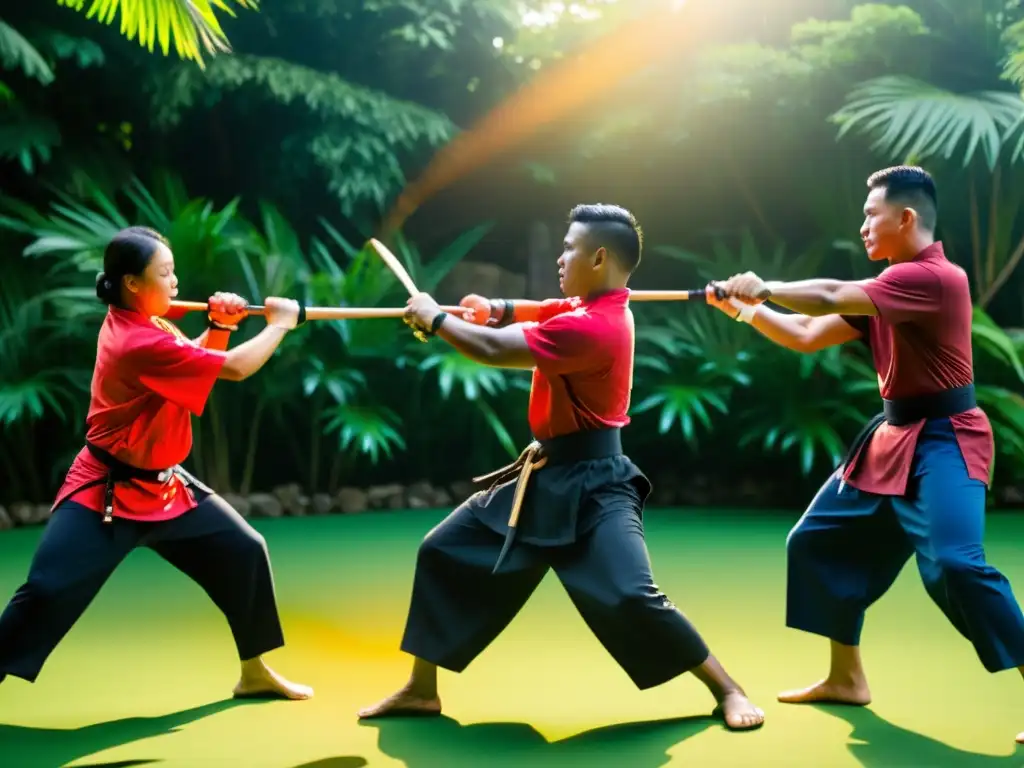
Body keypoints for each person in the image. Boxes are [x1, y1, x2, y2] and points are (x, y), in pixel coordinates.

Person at [357, 204, 764, 730]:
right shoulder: (589, 305)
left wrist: (437, 319)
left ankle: (728, 690)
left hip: (597, 483)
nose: (560, 255)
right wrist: (496, 306)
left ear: (599, 256)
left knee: (630, 594)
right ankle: (421, 689)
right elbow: (543, 308)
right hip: (544, 475)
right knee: (442, 551)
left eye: (569, 247)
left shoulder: (595, 327)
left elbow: (489, 349)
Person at [708, 165, 1024, 744]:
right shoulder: (888, 289)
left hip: (947, 438)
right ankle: (846, 678)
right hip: (891, 438)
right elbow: (805, 335)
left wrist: (765, 285)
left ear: (907, 218)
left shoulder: (936, 278)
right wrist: (747, 311)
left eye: (871, 215)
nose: (863, 227)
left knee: (957, 564)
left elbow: (827, 293)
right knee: (815, 540)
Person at [0, 226, 313, 701]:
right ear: (131, 282)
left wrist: (222, 326)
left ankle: (254, 672)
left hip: (167, 490)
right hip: (106, 492)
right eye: (164, 273)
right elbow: (232, 369)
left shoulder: (146, 322)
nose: (175, 283)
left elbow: (191, 367)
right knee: (46, 591)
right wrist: (279, 325)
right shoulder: (135, 341)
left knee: (244, 551)